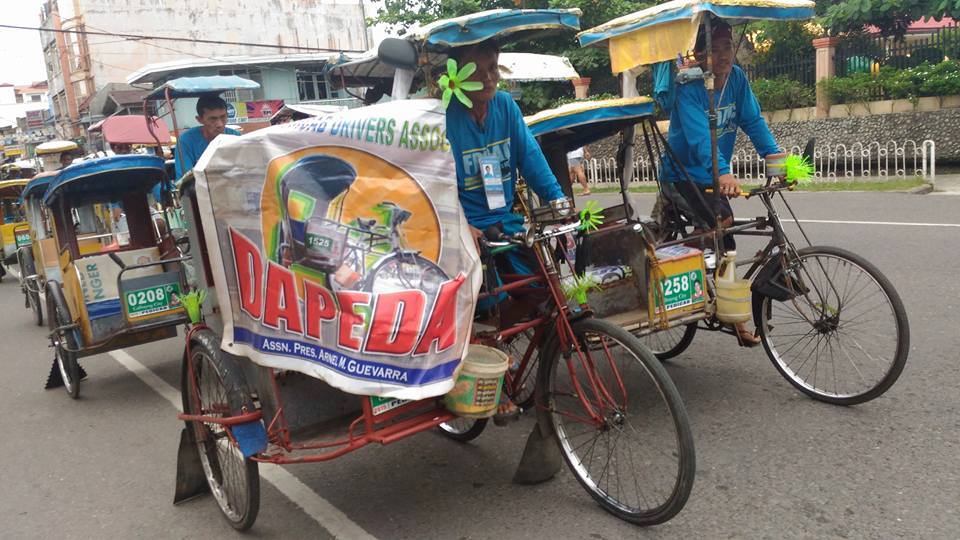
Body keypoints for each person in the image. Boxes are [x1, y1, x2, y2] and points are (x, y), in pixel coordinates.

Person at [444, 39, 567, 420]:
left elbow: (530, 156)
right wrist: (464, 227)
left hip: (506, 223)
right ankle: (486, 372)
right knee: (485, 307)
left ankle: (508, 346)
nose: (489, 76)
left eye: (493, 67)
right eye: (477, 69)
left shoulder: (505, 107)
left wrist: (559, 203)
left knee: (545, 291)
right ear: (456, 76)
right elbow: (435, 184)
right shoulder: (443, 119)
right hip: (464, 230)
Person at [660, 20, 785, 347]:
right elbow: (701, 140)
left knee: (725, 243)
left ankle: (731, 312)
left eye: (727, 46)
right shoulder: (688, 87)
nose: (723, 55)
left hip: (713, 176)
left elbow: (753, 122)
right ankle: (675, 264)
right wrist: (724, 173)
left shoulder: (737, 79)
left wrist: (778, 161)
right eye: (713, 49)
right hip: (683, 175)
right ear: (699, 54)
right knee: (723, 229)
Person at [174, 95, 241, 180]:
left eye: (223, 117)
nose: (220, 124)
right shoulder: (185, 141)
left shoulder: (235, 137)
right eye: (213, 119)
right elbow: (185, 179)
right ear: (200, 119)